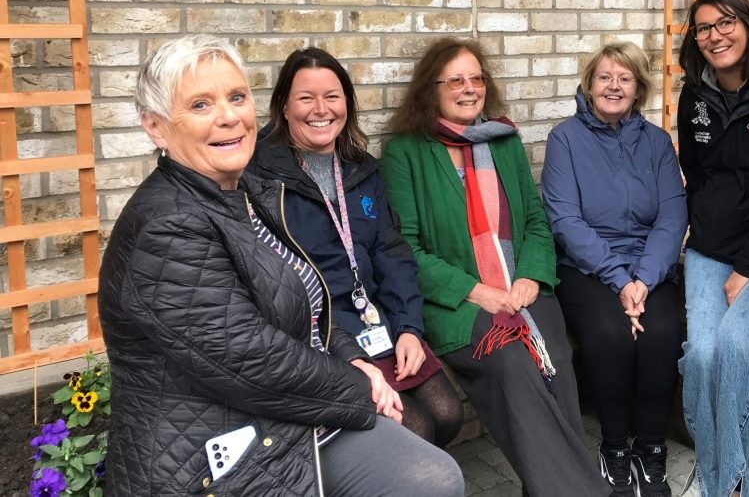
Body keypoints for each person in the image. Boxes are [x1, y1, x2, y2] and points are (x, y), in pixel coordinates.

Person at [98, 36, 464, 497]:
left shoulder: (243, 195)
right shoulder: (167, 224)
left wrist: (353, 355)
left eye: (236, 97)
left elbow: (307, 298)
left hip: (279, 408)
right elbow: (248, 358)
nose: (228, 116)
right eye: (200, 104)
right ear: (155, 126)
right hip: (214, 449)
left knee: (437, 456)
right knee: (429, 475)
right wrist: (359, 384)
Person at [380, 37, 607, 497]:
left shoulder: (503, 140)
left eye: (476, 78)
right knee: (512, 365)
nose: (469, 88)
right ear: (430, 90)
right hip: (458, 301)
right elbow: (406, 248)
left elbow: (536, 222)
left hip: (520, 286)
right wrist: (477, 291)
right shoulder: (406, 151)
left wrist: (529, 276)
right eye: (455, 80)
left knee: (557, 363)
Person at [248, 47, 464, 448]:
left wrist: (409, 328)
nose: (321, 109)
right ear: (283, 106)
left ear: (346, 103)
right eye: (306, 97)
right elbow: (279, 290)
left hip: (376, 322)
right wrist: (346, 354)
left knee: (448, 414)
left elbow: (391, 253)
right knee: (415, 428)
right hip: (320, 337)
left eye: (332, 96)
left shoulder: (361, 168)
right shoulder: (260, 179)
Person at [541, 42, 687, 497]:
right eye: (604, 77)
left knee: (663, 332)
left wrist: (643, 278)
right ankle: (615, 448)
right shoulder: (565, 140)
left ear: (638, 88)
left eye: (625, 78)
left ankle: (651, 448)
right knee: (611, 334)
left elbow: (672, 216)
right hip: (586, 268)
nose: (614, 86)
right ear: (589, 85)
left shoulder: (657, 142)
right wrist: (620, 280)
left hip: (649, 267)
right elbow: (565, 220)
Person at [676, 0, 749, 497]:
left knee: (736, 350)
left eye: (725, 22)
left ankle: (735, 486)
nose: (715, 36)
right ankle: (722, 484)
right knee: (702, 358)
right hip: (709, 248)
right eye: (704, 28)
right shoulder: (695, 95)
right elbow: (695, 174)